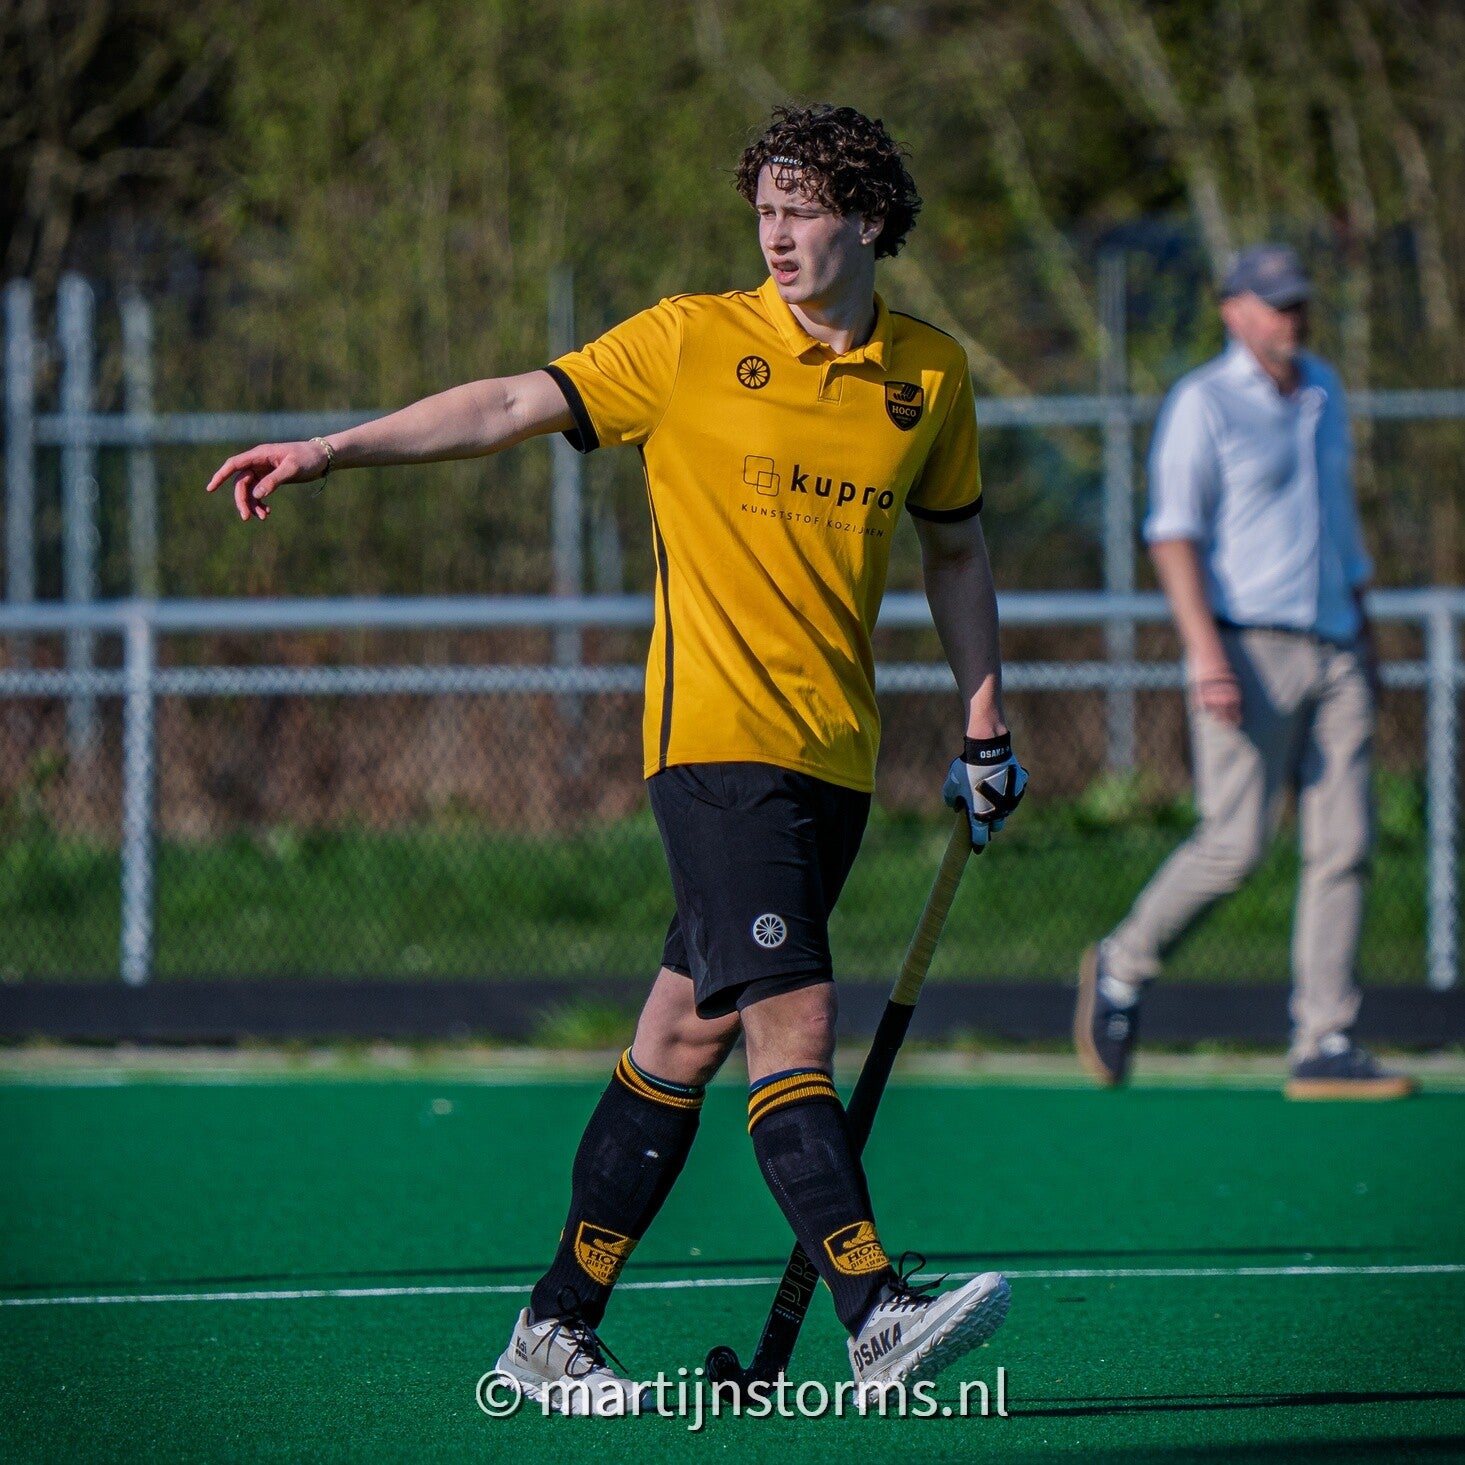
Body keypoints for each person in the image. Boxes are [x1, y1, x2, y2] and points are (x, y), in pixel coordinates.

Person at [207, 104, 1028, 1412]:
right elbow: (506, 402)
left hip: (836, 756)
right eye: (762, 211)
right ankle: (874, 1309)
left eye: (801, 210)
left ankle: (554, 1325)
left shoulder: (927, 374)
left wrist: (985, 723)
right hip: (714, 744)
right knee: (792, 1021)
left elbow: (958, 549)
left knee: (682, 1036)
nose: (774, 235)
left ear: (869, 220)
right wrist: (330, 450)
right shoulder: (690, 340)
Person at [1074, 243, 1413, 1102]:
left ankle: (1324, 1037)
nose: (1291, 318)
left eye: (1297, 302)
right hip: (1244, 647)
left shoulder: (1323, 389)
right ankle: (1121, 963)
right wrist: (1205, 652)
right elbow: (1172, 533)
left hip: (1336, 642)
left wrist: (1367, 636)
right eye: (1274, 304)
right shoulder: (1203, 401)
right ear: (1232, 311)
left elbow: (1341, 526)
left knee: (1344, 844)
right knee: (1234, 844)